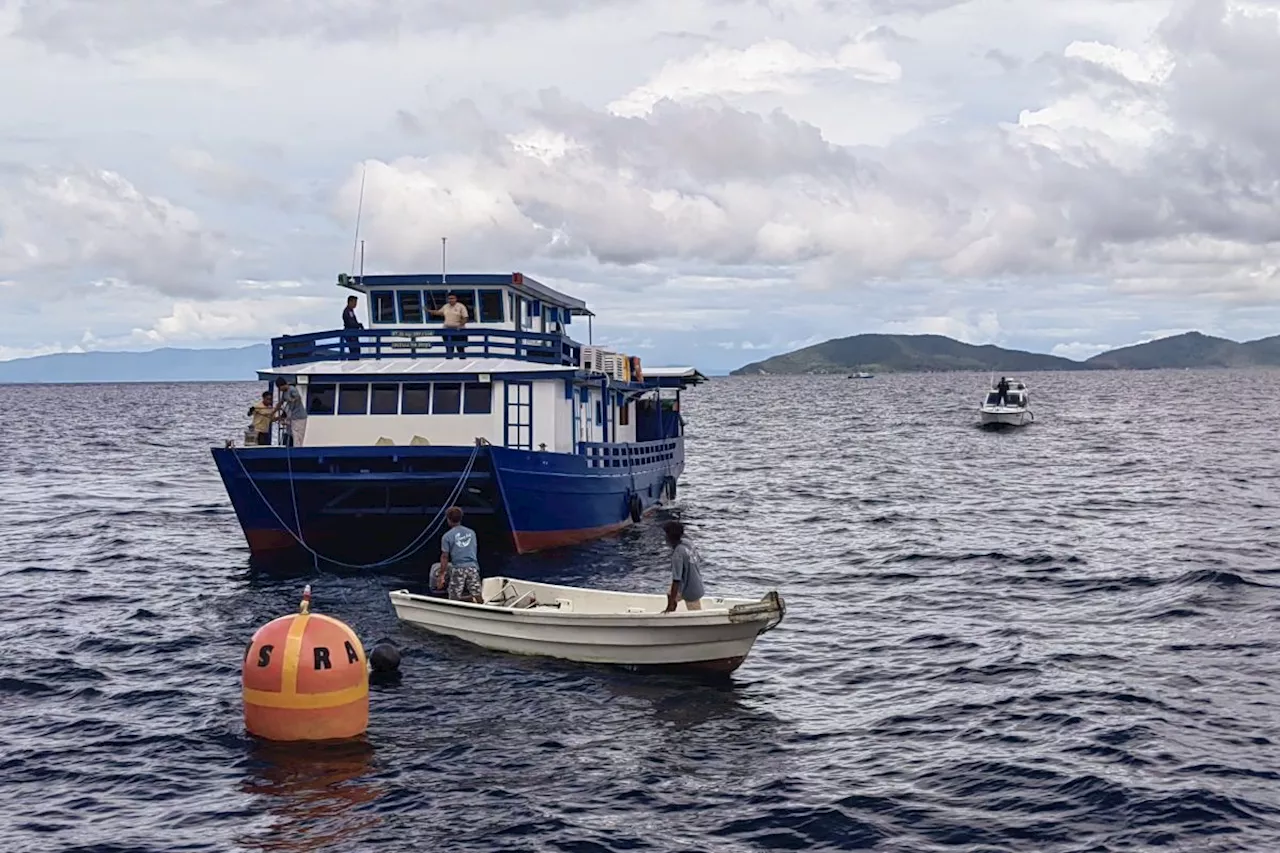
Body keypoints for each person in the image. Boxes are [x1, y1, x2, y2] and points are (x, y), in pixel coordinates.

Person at [436, 506, 482, 602]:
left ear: (448, 519)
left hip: (458, 568)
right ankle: (477, 603)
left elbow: (445, 556)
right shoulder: (472, 533)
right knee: (478, 594)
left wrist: (441, 575)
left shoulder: (447, 536)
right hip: (473, 567)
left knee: (453, 598)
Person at [662, 520, 704, 612]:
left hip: (691, 591)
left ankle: (670, 610)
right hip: (697, 583)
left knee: (696, 614)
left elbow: (676, 580)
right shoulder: (688, 543)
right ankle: (672, 610)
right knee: (670, 593)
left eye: (666, 535)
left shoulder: (677, 554)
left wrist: (671, 603)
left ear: (670, 537)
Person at [428, 292, 468, 356]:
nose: (450, 300)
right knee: (449, 348)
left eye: (452, 298)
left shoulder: (461, 306)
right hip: (447, 330)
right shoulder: (445, 306)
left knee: (460, 348)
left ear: (456, 299)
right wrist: (430, 311)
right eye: (449, 298)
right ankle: (449, 361)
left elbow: (465, 318)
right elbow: (439, 313)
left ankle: (463, 361)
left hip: (458, 330)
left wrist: (460, 326)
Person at [272, 376, 308, 447]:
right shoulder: (284, 393)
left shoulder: (292, 389)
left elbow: (298, 397)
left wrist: (292, 400)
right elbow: (281, 402)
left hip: (299, 417)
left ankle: (297, 451)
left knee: (297, 436)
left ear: (283, 385)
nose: (280, 390)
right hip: (292, 417)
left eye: (279, 388)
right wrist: (273, 412)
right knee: (290, 434)